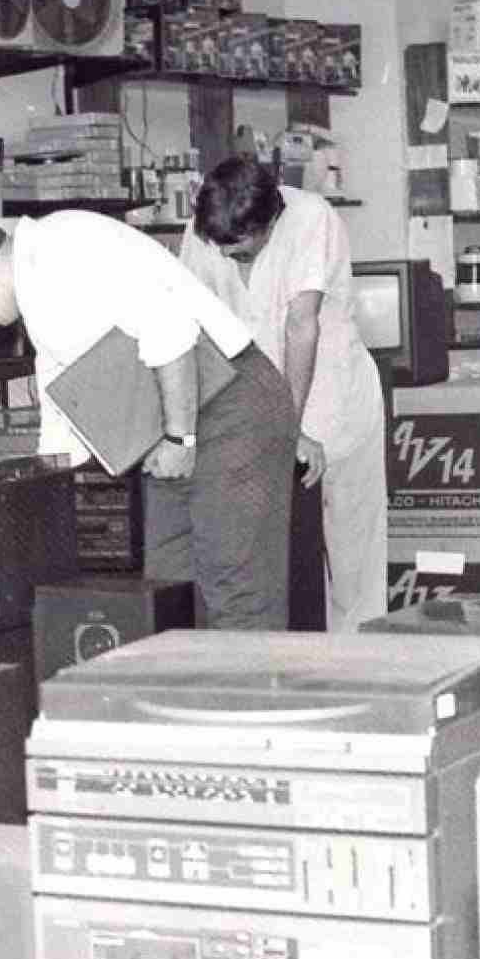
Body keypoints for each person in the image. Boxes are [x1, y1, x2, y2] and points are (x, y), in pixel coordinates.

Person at [0, 213, 298, 631]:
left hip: (228, 402)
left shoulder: (62, 254)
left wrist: (181, 440)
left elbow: (171, 329)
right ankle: (182, 694)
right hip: (180, 419)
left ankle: (248, 696)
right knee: (169, 586)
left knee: (236, 588)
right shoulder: (39, 278)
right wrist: (16, 481)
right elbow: (62, 409)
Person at [179, 159, 386, 631]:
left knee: (354, 555)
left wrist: (291, 427)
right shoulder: (202, 232)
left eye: (243, 252)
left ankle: (364, 661)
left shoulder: (311, 218)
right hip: (252, 400)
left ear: (272, 219)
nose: (231, 259)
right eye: (223, 250)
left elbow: (301, 324)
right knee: (267, 548)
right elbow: (191, 320)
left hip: (331, 395)